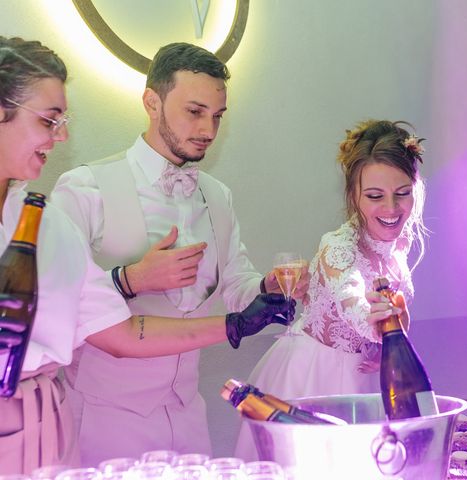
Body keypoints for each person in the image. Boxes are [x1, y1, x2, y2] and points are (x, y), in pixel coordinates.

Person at [0, 36, 293, 474]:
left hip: (169, 416)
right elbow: (92, 325)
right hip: (103, 418)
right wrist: (131, 278)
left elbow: (119, 327)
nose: (208, 130)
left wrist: (250, 308)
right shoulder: (83, 189)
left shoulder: (48, 224)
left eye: (217, 117)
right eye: (195, 112)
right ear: (152, 102)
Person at [235, 119, 427, 459]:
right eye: (374, 196)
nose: (392, 209)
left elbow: (395, 323)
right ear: (353, 194)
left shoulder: (401, 242)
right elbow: (355, 307)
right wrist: (375, 320)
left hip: (366, 381)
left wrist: (391, 336)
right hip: (313, 381)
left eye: (403, 193)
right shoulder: (337, 247)